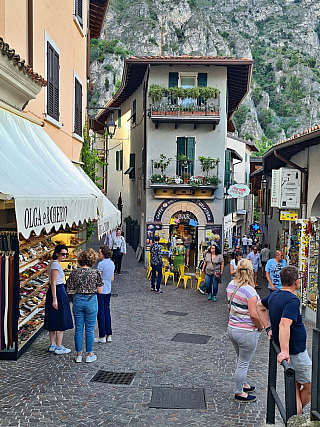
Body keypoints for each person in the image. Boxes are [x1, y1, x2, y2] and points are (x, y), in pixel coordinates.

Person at [257, 266, 311, 414]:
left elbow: (259, 306)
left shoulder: (275, 295)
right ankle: (295, 416)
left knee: (295, 385)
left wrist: (268, 329)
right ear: (296, 282)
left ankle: (294, 415)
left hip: (291, 350)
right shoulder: (293, 300)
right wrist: (285, 351)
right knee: (311, 387)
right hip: (295, 352)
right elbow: (284, 324)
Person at [227, 258, 263, 403]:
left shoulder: (231, 285)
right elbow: (254, 314)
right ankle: (239, 392)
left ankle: (243, 384)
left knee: (241, 360)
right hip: (246, 331)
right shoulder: (249, 290)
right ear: (250, 272)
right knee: (243, 362)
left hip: (232, 328)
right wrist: (261, 326)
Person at [66, 248, 103, 363]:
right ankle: (89, 354)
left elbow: (70, 288)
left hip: (77, 300)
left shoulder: (74, 272)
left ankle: (78, 355)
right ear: (92, 260)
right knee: (90, 329)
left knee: (78, 328)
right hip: (91, 300)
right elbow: (100, 290)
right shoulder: (95, 273)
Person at [44, 244, 73, 355]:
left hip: (54, 292)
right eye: (63, 254)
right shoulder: (55, 265)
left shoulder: (52, 263)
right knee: (61, 318)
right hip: (58, 292)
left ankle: (52, 344)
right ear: (57, 254)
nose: (64, 256)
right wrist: (55, 298)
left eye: (66, 254)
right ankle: (59, 346)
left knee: (52, 317)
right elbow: (54, 283)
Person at [95, 246, 115, 343]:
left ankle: (102, 335)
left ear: (103, 254)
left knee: (101, 313)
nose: (98, 254)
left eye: (99, 252)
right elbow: (112, 279)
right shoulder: (112, 263)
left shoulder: (101, 264)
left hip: (101, 290)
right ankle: (109, 334)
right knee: (107, 312)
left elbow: (98, 278)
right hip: (108, 290)